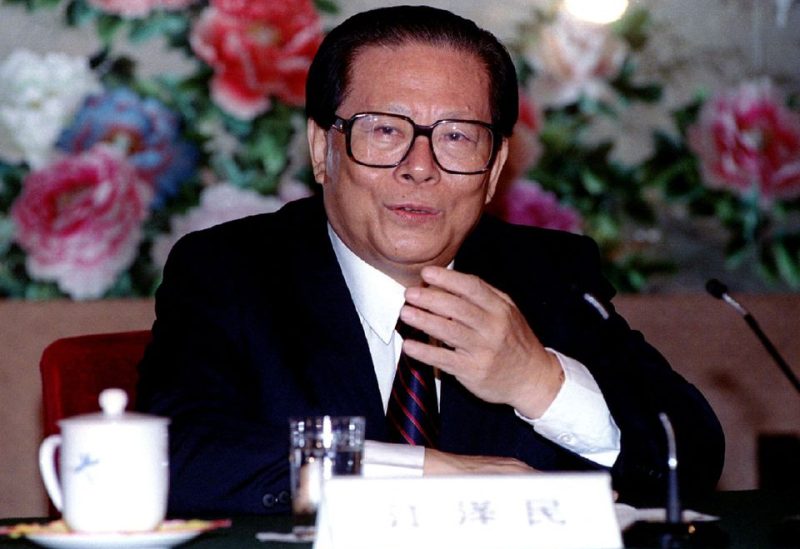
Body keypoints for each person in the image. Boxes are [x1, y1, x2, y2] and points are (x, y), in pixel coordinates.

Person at [136, 5, 724, 516]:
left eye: (458, 137)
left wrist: (538, 380)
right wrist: (424, 474)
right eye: (385, 130)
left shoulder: (549, 276)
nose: (421, 167)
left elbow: (690, 456)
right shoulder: (231, 271)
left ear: (494, 170)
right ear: (323, 150)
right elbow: (176, 457)